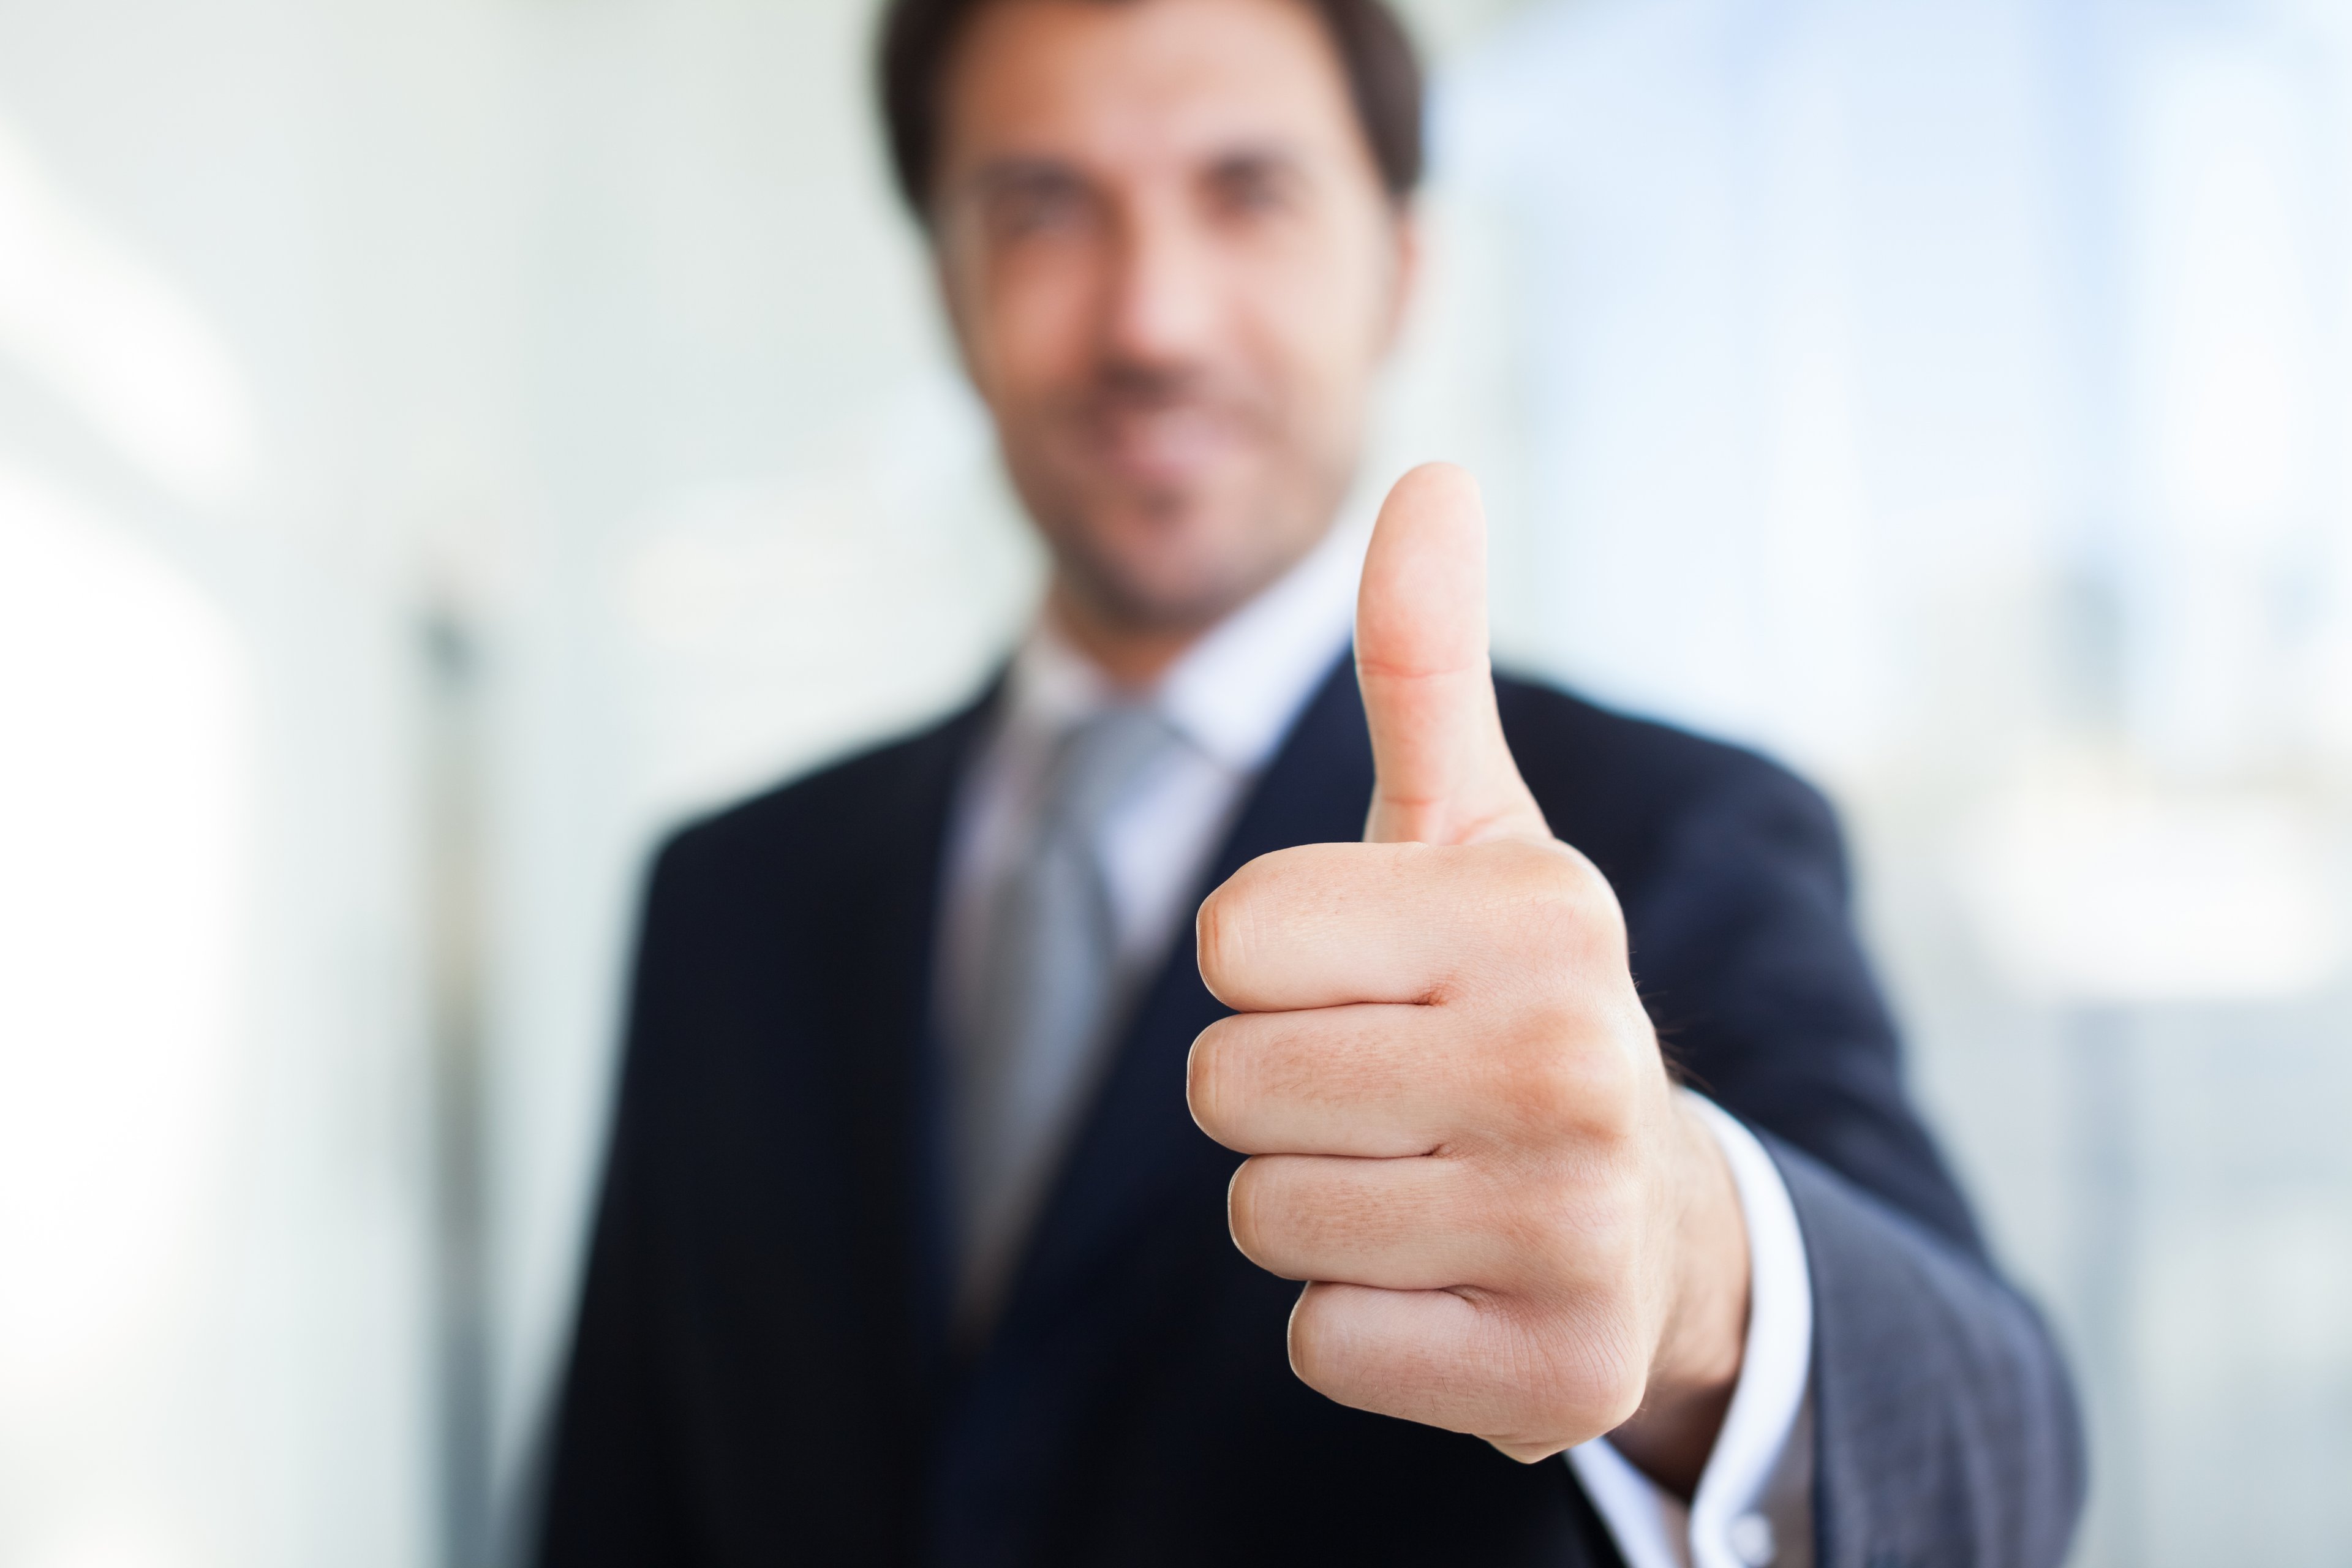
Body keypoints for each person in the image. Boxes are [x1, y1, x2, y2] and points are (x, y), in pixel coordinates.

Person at [536, 0, 2084, 1561]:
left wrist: (1686, 1264)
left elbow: (1999, 1460)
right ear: (949, 291)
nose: (1155, 320)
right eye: (1044, 209)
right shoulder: (729, 894)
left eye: (1249, 193)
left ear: (1400, 272)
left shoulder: (1665, 834)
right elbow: (613, 1502)